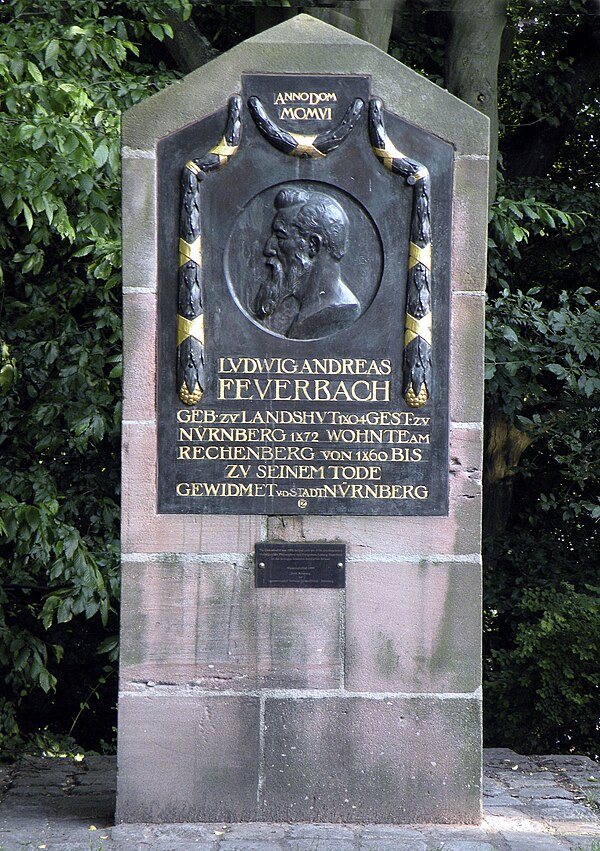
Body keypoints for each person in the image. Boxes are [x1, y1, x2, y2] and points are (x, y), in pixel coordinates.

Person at [254, 186, 360, 339]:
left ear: (313, 246)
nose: (268, 248)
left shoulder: (340, 312)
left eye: (280, 236)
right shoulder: (303, 313)